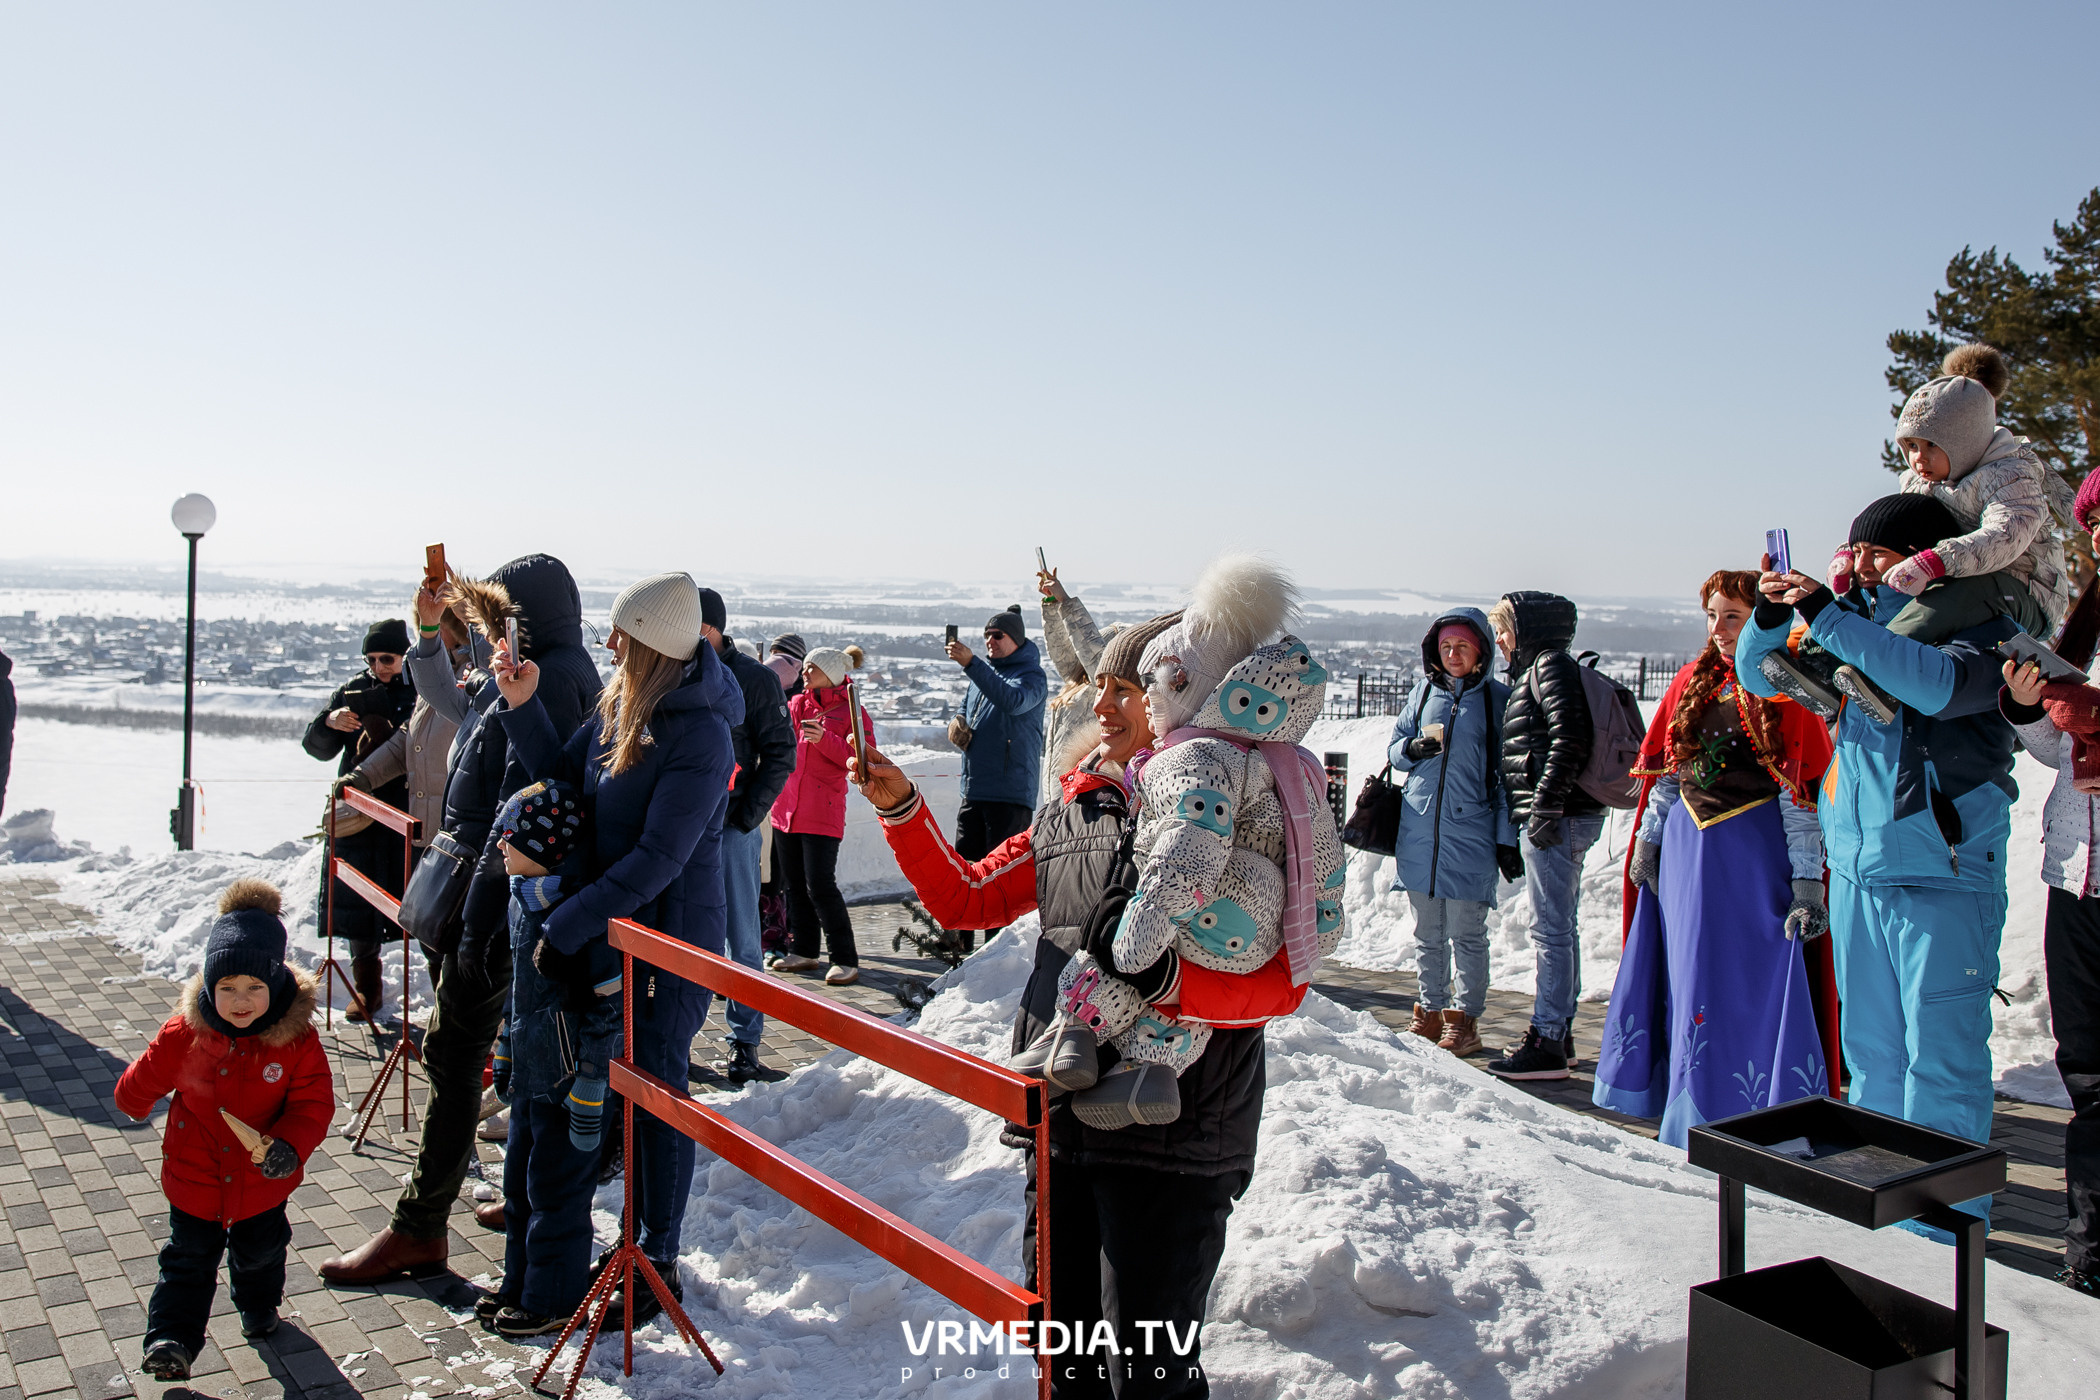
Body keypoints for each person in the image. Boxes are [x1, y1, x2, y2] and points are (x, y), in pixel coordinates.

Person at [856, 615, 1297, 1400]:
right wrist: (901, 808)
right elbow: (966, 897)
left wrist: (1155, 987)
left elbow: (1274, 978)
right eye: (1102, 685)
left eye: (1127, 688)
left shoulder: (1239, 814)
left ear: (1181, 697)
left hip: (1175, 1133)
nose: (1106, 703)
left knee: (1150, 1372)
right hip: (1063, 1126)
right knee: (1066, 1361)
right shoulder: (1074, 809)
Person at [1737, 494, 2020, 1240]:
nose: (1861, 566)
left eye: (1879, 554)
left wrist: (1831, 614)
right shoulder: (1859, 626)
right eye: (1854, 552)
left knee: (1942, 1061)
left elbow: (1929, 684)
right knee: (1871, 1056)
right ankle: (1885, 1222)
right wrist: (1772, 614)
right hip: (1861, 872)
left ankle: (1942, 1236)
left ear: (1930, 556)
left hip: (1943, 871)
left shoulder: (1984, 625)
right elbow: (1763, 678)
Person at [320, 554, 603, 1284]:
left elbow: (526, 810)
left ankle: (425, 1228)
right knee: (504, 1060)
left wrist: (478, 920)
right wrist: (428, 626)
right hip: (482, 895)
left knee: (463, 1056)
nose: (494, 628)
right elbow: (459, 706)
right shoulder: (535, 664)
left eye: (504, 613)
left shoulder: (560, 678)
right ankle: (517, 1198)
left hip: (499, 902)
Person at [1013, 555, 1345, 1129]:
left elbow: (1193, 841)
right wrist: (1325, 920)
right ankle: (1142, 1067)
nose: (1132, 703)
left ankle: (1076, 1031)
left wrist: (1153, 926)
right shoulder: (1291, 767)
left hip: (1208, 923)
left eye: (1142, 687)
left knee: (1114, 957)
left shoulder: (1192, 759)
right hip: (1251, 936)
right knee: (1157, 991)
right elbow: (1323, 860)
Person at [493, 569, 741, 1323]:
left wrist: (566, 927)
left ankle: (653, 1261)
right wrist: (521, 705)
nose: (607, 645)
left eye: (621, 635)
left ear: (653, 646)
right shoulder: (619, 705)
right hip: (611, 933)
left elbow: (658, 860)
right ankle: (622, 1244)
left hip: (668, 945)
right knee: (616, 1091)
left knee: (656, 1097)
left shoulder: (702, 732)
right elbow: (561, 781)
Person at [1591, 571, 1838, 1147]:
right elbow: (1668, 777)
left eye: (1734, 616)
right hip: (1684, 855)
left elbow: (1799, 796)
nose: (1720, 629)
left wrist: (1806, 882)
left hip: (1752, 861)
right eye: (1712, 616)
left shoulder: (1787, 690)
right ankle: (1685, 1106)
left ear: (1760, 617)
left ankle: (1757, 1116)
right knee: (1687, 975)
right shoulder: (1689, 683)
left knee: (1748, 982)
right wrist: (1650, 839)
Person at [1764, 344, 2071, 721]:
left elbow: (2007, 534)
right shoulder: (1920, 481)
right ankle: (1819, 664)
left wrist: (1935, 560)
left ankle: (1881, 670)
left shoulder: (2009, 474)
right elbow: (1895, 524)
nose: (1918, 459)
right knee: (1870, 584)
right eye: (1910, 446)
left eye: (1931, 446)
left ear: (1967, 443)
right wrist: (1850, 553)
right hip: (1961, 573)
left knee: (1949, 598)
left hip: (2024, 586)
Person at [115, 880, 333, 1381]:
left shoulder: (295, 1041)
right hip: (194, 1177)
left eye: (255, 987)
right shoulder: (185, 1035)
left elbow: (313, 1102)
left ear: (276, 985)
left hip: (262, 1178)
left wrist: (291, 1145)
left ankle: (258, 1308)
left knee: (260, 1252)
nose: (241, 1000)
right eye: (227, 987)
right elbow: (139, 1085)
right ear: (209, 986)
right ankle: (172, 1339)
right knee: (188, 1261)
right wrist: (134, 1097)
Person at [482, 780, 620, 1337]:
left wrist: (591, 1084)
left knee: (558, 1196)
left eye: (509, 838)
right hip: (531, 1080)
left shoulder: (580, 921)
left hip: (570, 1088)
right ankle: (519, 1283)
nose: (499, 848)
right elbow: (519, 995)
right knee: (518, 1187)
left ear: (543, 849)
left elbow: (609, 1013)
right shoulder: (523, 905)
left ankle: (553, 1298)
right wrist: (506, 1050)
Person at [1386, 608, 1519, 1058]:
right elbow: (1395, 747)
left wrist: (1505, 839)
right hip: (1420, 830)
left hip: (1471, 834)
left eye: (1462, 645)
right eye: (1445, 647)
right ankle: (1429, 1010)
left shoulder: (1496, 701)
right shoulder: (1423, 692)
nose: (1453, 653)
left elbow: (1505, 777)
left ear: (1480, 649)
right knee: (1427, 932)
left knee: (1466, 933)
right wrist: (1410, 748)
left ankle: (1465, 1021)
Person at [1487, 591, 1601, 1081]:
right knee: (1559, 928)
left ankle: (1548, 1039)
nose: (1499, 642)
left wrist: (1546, 806)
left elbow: (1569, 736)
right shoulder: (1542, 668)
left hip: (1558, 817)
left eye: (1504, 631)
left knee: (1551, 931)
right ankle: (1560, 1032)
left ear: (1526, 630)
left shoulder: (1549, 666)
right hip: (1558, 814)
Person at [698, 588, 797, 1082]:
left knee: (743, 938)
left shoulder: (754, 679)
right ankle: (677, 1034)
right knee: (685, 936)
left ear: (706, 628)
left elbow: (781, 752)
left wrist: (746, 816)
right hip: (684, 829)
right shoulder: (675, 669)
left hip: (732, 827)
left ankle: (745, 1042)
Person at [302, 618, 417, 1023]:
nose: (379, 666)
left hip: (405, 810)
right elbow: (315, 747)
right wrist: (328, 723)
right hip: (357, 811)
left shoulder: (422, 686)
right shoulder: (352, 690)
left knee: (417, 904)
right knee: (357, 904)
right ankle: (367, 990)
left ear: (404, 654)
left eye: (386, 657)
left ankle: (438, 987)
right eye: (371, 659)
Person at [768, 646, 874, 985]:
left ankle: (845, 958)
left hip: (822, 810)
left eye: (811, 667)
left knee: (821, 886)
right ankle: (805, 950)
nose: (804, 673)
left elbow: (862, 757)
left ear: (829, 672)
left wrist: (825, 738)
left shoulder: (851, 711)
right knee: (794, 885)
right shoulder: (798, 704)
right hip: (787, 810)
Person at [945, 604, 1048, 949]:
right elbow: (968, 706)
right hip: (974, 788)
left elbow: (1013, 701)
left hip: (1009, 794)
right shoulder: (984, 672)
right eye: (987, 635)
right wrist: (960, 724)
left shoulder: (1031, 677)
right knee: (964, 870)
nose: (991, 640)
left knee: (998, 878)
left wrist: (971, 664)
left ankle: (996, 952)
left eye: (998, 635)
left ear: (1016, 640)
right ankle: (958, 945)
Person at [1036, 566, 1119, 808]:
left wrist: (1066, 601)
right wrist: (1052, 605)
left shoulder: (1104, 685)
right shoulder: (1078, 683)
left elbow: (1094, 656)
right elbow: (1064, 652)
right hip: (1057, 795)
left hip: (1082, 794)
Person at [767, 633, 808, 698]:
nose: (773, 658)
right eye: (772, 653)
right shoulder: (767, 684)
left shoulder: (804, 694)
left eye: (778, 654)